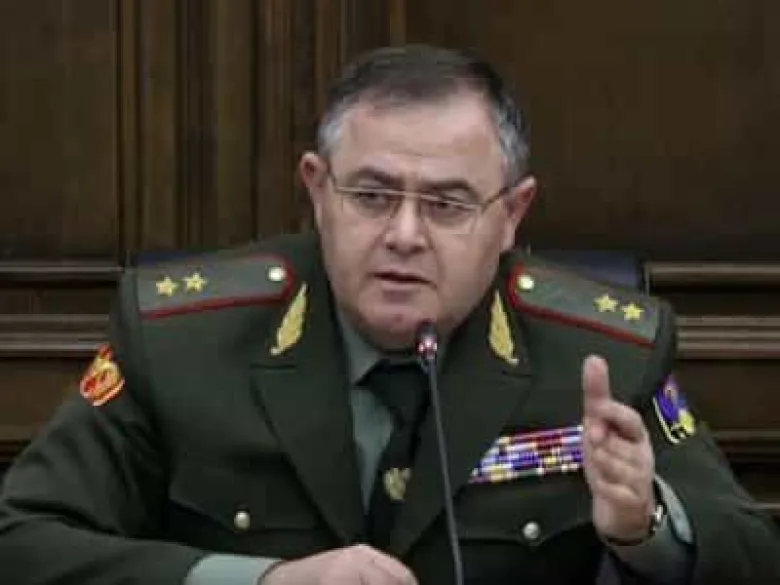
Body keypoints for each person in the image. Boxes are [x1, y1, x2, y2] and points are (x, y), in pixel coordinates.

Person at [0, 44, 777, 585]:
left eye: (446, 204)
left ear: (511, 214)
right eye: (371, 195)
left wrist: (648, 526)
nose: (404, 235)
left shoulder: (604, 355)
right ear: (317, 190)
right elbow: (22, 540)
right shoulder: (181, 341)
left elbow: (753, 554)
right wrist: (263, 579)